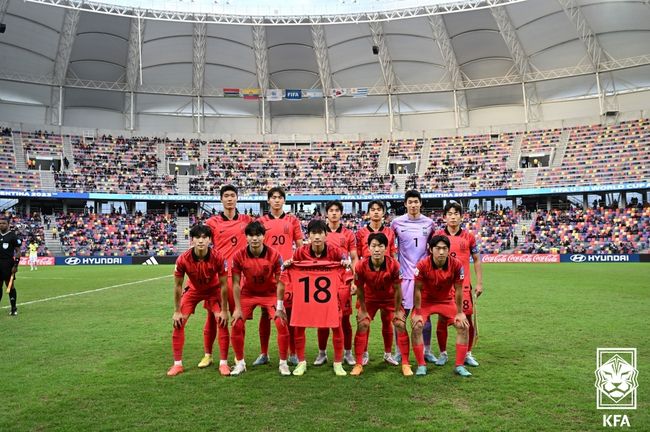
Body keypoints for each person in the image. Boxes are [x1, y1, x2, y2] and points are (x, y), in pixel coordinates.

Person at [280, 219, 349, 376]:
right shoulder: (300, 252)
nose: (317, 237)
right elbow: (290, 270)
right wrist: (289, 264)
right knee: (299, 325)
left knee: (336, 325)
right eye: (313, 233)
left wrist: (345, 264)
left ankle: (338, 363)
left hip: (330, 296)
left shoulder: (335, 251)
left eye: (320, 233)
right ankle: (302, 362)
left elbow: (346, 268)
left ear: (326, 235)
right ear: (308, 236)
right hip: (305, 296)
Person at [201, 185, 254, 372]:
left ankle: (238, 355)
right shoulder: (212, 223)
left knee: (239, 316)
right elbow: (203, 248)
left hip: (240, 277)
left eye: (232, 195)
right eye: (226, 196)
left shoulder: (247, 221)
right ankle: (208, 354)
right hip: (218, 277)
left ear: (237, 198)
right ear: (221, 199)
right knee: (213, 316)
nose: (229, 199)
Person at [229, 221, 290, 376]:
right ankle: (240, 363)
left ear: (264, 236)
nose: (254, 238)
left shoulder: (275, 255)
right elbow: (235, 283)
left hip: (270, 294)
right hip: (248, 294)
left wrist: (280, 306)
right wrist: (236, 309)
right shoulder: (238, 256)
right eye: (251, 235)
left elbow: (280, 282)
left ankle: (283, 363)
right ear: (246, 237)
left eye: (258, 235)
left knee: (281, 323)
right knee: (236, 323)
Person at [167, 224, 228, 376]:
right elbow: (177, 286)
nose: (201, 240)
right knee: (178, 323)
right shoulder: (183, 259)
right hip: (193, 291)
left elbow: (224, 285)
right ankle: (177, 364)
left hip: (213, 291)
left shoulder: (218, 257)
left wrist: (225, 311)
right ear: (192, 240)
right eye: (197, 237)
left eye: (204, 237)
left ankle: (224, 363)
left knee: (222, 321)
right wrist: (176, 311)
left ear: (209, 240)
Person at [350, 233, 412, 376]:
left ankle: (405, 363)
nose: (377, 249)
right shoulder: (360, 266)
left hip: (390, 299)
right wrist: (363, 310)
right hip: (370, 299)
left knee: (400, 324)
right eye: (374, 246)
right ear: (368, 248)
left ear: (386, 248)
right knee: (362, 323)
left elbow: (398, 290)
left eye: (380, 246)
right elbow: (359, 289)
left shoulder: (394, 265)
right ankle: (358, 363)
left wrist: (397, 311)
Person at [411, 235, 472, 377]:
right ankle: (421, 365)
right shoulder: (422, 265)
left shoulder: (456, 265)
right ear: (431, 250)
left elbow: (458, 289)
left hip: (446, 300)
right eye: (438, 248)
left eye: (444, 248)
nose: (441, 252)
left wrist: (460, 312)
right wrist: (418, 312)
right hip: (426, 301)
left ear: (448, 250)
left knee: (463, 325)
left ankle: (459, 366)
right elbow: (417, 290)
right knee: (417, 325)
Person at [257, 187, 304, 366]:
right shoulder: (261, 221)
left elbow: (299, 246)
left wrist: (297, 265)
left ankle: (292, 352)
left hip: (287, 273)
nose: (276, 200)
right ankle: (264, 353)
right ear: (268, 201)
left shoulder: (292, 220)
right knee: (264, 312)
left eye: (280, 197)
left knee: (289, 313)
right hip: (266, 272)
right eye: (273, 197)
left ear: (284, 201)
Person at [433, 202, 484, 368]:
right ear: (445, 217)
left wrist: (479, 283)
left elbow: (476, 259)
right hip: (444, 286)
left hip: (464, 286)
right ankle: (443, 353)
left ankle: (467, 353)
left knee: (467, 320)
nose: (453, 216)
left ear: (461, 217)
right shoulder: (438, 235)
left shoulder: (468, 237)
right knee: (442, 320)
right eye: (450, 213)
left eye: (456, 213)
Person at [390, 190, 435, 363]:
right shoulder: (396, 223)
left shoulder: (429, 223)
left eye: (416, 201)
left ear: (421, 203)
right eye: (410, 202)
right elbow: (390, 246)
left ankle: (427, 350)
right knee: (400, 316)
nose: (413, 205)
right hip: (403, 278)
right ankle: (399, 350)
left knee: (426, 317)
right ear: (405, 204)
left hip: (423, 278)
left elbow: (433, 247)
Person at [355, 199, 398, 366]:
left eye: (379, 209)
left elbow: (393, 256)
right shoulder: (360, 233)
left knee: (387, 321)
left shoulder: (389, 232)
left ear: (383, 212)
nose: (375, 212)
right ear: (368, 213)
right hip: (368, 282)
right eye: (372, 209)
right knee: (364, 319)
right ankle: (363, 353)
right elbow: (357, 257)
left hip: (386, 284)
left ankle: (388, 353)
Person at [314, 201, 358, 367]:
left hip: (343, 281)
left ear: (341, 213)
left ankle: (347, 352)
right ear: (326, 213)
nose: (333, 213)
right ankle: (322, 353)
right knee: (323, 319)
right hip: (322, 282)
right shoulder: (319, 233)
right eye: (331, 210)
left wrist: (354, 280)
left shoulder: (348, 234)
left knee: (345, 319)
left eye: (336, 211)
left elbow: (354, 258)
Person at [0, 215, 21, 316]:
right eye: (0, 223)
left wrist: (16, 265)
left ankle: (13, 308)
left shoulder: (12, 236)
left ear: (8, 224)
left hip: (8, 264)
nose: (1, 225)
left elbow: (18, 251)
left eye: (4, 223)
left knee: (10, 286)